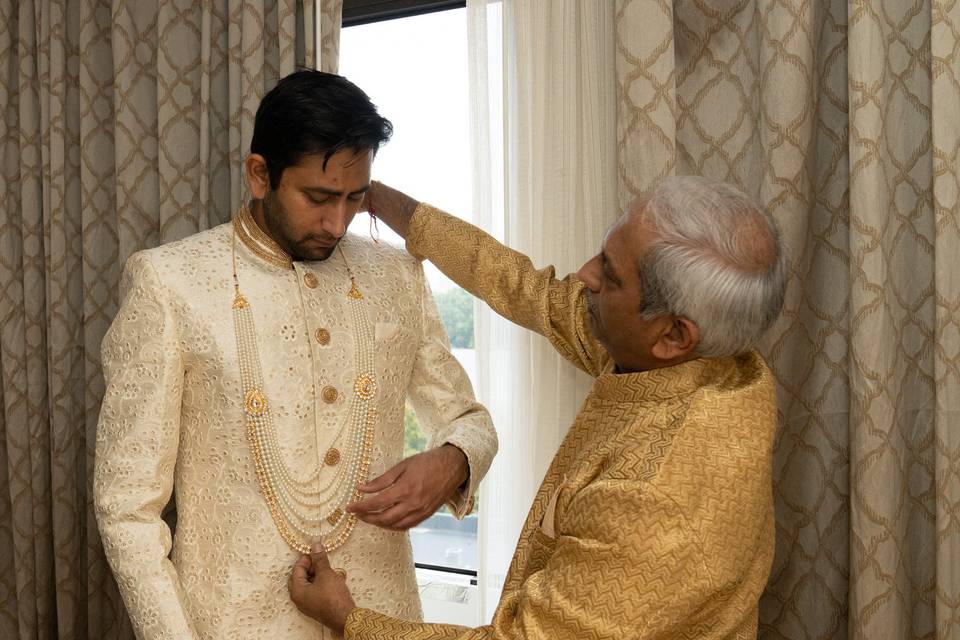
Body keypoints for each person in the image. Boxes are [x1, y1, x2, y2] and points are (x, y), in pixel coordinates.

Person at [288, 176, 788, 639]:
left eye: (609, 276)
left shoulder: (656, 502)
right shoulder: (707, 362)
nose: (583, 275)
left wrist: (347, 618)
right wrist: (389, 204)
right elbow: (528, 289)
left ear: (673, 335)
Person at [94, 71, 497, 639]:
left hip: (381, 617)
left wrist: (454, 460)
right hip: (231, 622)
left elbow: (468, 418)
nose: (338, 223)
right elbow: (127, 507)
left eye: (356, 198)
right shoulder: (170, 282)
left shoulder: (395, 274)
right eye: (318, 197)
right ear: (261, 175)